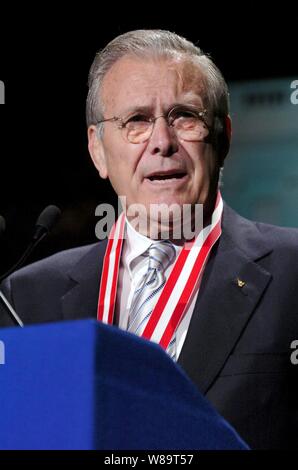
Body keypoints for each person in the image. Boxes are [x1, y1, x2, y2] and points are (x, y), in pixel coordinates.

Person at [0, 30, 298, 449]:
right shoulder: (27, 298)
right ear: (98, 150)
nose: (162, 142)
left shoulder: (293, 270)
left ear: (224, 137)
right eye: (136, 121)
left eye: (185, 117)